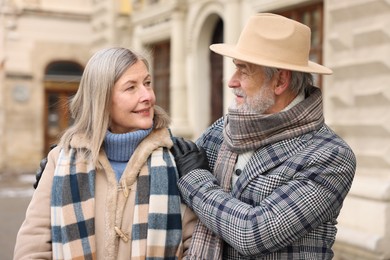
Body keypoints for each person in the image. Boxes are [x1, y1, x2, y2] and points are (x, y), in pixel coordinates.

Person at [171, 13, 356, 259]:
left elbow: (253, 233)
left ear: (280, 80)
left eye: (243, 71)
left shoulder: (330, 155)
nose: (231, 82)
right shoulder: (221, 131)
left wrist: (196, 180)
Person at [14, 47, 197, 259]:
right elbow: (33, 248)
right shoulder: (60, 161)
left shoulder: (179, 159)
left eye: (147, 83)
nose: (147, 95)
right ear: (101, 98)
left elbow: (195, 246)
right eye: (131, 88)